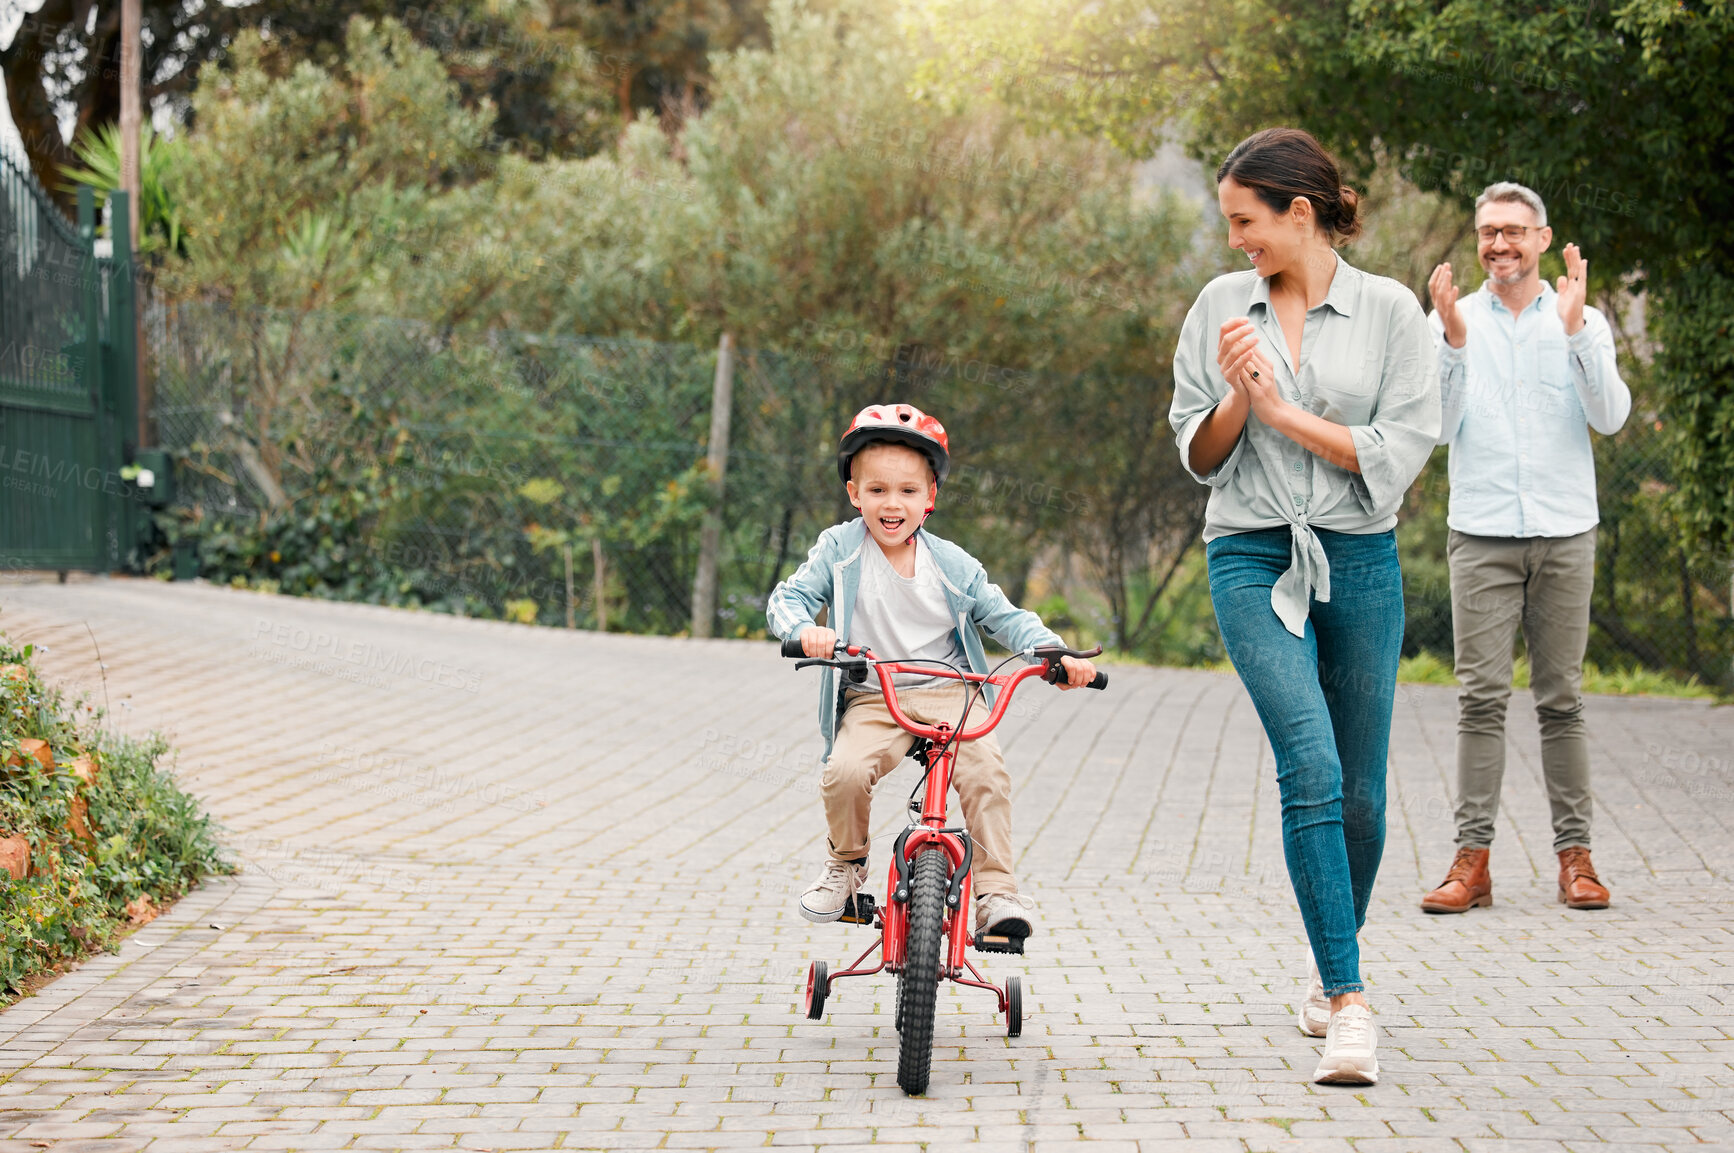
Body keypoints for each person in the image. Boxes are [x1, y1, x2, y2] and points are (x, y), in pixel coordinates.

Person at [1168, 127, 1439, 1085]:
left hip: (1360, 561)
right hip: (1249, 556)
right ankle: (1350, 1000)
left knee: (1363, 798)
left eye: (1247, 220)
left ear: (1300, 211)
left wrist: (1283, 412)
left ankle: (1329, 968)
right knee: (1312, 765)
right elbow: (1197, 454)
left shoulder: (1394, 312)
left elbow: (1398, 448)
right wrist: (1242, 400)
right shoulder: (1218, 306)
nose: (1236, 238)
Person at [766, 403, 1097, 946]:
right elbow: (790, 597)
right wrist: (804, 630)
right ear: (854, 494)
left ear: (930, 498)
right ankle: (846, 867)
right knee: (845, 770)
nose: (891, 504)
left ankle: (996, 893)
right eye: (876, 491)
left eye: (907, 491)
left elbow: (1005, 616)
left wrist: (1054, 655)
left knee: (986, 773)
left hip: (951, 692)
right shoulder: (839, 549)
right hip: (876, 691)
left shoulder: (953, 564)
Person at [1420, 182, 1631, 915]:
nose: (1499, 243)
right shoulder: (1454, 319)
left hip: (1566, 529)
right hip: (1480, 534)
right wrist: (1449, 343)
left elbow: (1609, 416)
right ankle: (1470, 862)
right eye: (1487, 231)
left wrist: (1575, 335)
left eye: (1514, 230)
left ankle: (1578, 859)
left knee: (1561, 699)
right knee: (1479, 699)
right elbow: (1439, 431)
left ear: (1542, 239)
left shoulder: (1584, 319)